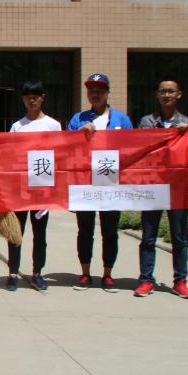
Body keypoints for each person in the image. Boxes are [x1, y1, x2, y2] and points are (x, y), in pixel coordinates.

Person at [67, 73, 134, 293]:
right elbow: (66, 148)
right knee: (85, 231)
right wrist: (79, 134)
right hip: (85, 184)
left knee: (110, 231)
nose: (95, 93)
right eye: (91, 89)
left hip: (111, 183)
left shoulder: (121, 120)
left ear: (107, 92)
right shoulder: (78, 119)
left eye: (99, 89)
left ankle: (107, 274)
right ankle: (85, 273)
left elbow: (132, 148)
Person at [136, 79, 188, 300]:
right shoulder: (147, 122)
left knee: (179, 237)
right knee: (148, 237)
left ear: (179, 95)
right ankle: (146, 279)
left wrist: (183, 134)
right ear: (157, 95)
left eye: (171, 91)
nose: (167, 95)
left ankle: (180, 281)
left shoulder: (186, 123)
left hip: (177, 187)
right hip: (153, 186)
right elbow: (143, 149)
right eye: (163, 91)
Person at [6, 81, 62, 292]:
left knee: (40, 234)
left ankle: (37, 273)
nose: (32, 100)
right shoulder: (17, 126)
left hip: (42, 189)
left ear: (42, 98)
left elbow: (59, 155)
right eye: (28, 96)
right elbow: (11, 156)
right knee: (15, 233)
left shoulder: (53, 125)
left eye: (35, 96)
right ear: (23, 99)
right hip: (20, 189)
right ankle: (13, 273)